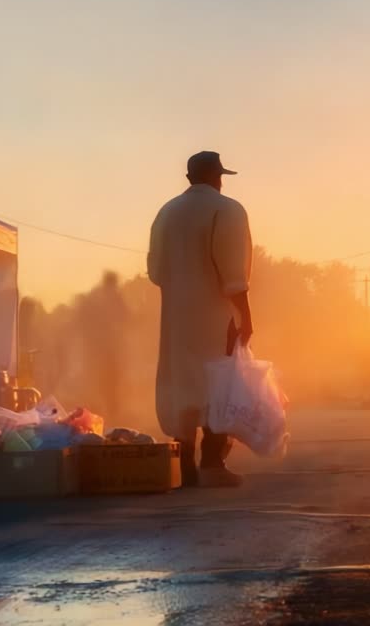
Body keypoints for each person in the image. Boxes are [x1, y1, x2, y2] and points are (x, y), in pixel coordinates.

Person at [148, 151, 253, 488]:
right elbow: (233, 272)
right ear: (215, 176)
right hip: (216, 313)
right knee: (217, 382)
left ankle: (185, 463)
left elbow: (156, 271)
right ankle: (211, 461)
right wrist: (246, 315)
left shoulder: (166, 212)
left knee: (182, 383)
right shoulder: (228, 210)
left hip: (176, 317)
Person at [84, 271, 132, 422]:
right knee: (109, 383)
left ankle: (106, 412)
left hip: (104, 350)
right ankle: (109, 412)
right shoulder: (114, 298)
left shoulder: (99, 296)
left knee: (105, 383)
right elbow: (126, 318)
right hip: (108, 350)